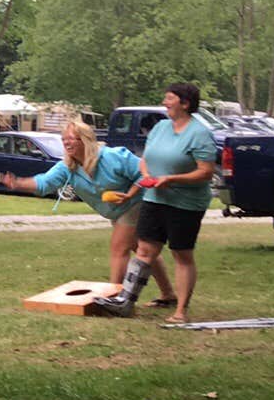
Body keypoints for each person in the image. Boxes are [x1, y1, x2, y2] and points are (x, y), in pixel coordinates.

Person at [0, 121, 174, 307]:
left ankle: (114, 297)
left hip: (139, 202)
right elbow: (44, 183)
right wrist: (17, 183)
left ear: (85, 140)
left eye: (71, 138)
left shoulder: (113, 157)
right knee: (142, 250)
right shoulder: (68, 167)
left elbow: (145, 174)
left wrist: (130, 193)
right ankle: (168, 295)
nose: (66, 143)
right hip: (118, 212)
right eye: (63, 139)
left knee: (118, 247)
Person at [93, 83, 218, 321]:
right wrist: (148, 175)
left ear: (185, 103)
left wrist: (172, 179)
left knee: (181, 254)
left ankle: (180, 311)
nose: (164, 102)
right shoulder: (161, 127)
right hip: (153, 198)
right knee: (144, 250)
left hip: (185, 203)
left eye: (169, 98)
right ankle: (125, 302)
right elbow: (144, 159)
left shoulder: (199, 134)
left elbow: (205, 172)